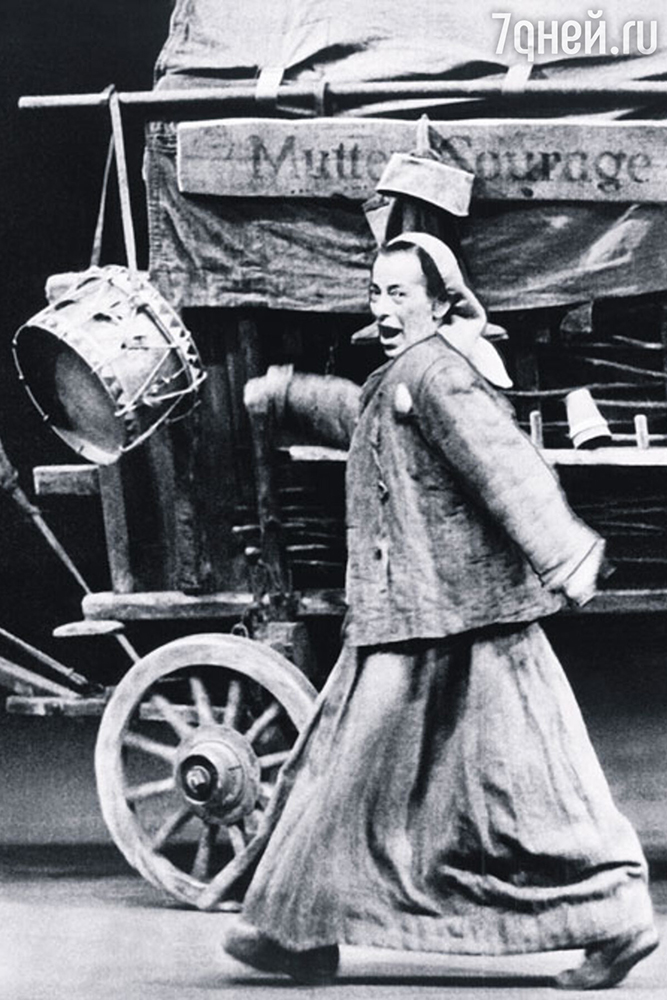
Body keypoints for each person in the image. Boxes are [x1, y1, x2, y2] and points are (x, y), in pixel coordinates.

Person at [222, 232, 658, 990]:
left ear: (439, 301)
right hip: (417, 611)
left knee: (491, 784)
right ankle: (297, 929)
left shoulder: (438, 372)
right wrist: (289, 393)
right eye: (375, 293)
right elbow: (365, 418)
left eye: (399, 293)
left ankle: (613, 920)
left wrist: (566, 554)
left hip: (461, 620)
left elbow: (504, 463)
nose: (383, 307)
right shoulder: (411, 372)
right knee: (365, 772)